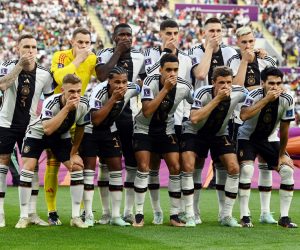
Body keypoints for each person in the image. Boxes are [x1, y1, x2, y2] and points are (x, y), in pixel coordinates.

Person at [16, 74, 90, 229]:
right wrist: (67, 108)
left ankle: (76, 217)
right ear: (63, 90)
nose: (75, 95)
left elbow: (81, 129)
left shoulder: (83, 104)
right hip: (37, 134)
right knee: (28, 168)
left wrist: (74, 152)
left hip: (60, 137)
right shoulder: (51, 102)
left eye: (78, 91)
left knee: (76, 166)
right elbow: (48, 129)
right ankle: (24, 216)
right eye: (71, 92)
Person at [181, 66, 247, 227]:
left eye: (228, 82)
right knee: (190, 167)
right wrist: (217, 99)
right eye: (221, 82)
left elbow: (253, 96)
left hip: (219, 133)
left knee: (234, 168)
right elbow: (195, 118)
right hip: (195, 132)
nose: (225, 86)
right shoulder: (202, 93)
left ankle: (226, 215)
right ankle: (190, 213)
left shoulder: (238, 92)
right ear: (213, 83)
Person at [132, 53, 193, 227]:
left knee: (175, 166)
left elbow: (194, 101)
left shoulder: (184, 86)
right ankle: (138, 214)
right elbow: (147, 111)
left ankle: (174, 214)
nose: (172, 73)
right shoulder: (149, 83)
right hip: (144, 129)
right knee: (144, 167)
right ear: (160, 70)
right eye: (168, 70)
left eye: (175, 70)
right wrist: (165, 89)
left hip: (167, 129)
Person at [188, 17, 239, 222]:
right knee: (195, 165)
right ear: (203, 32)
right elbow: (200, 75)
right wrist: (209, 48)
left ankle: (225, 215)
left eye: (218, 30)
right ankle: (194, 213)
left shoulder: (230, 52)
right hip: (199, 114)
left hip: (222, 120)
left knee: (227, 166)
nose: (215, 34)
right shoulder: (194, 51)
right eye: (211, 31)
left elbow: (237, 82)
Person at [0, 34, 53, 227]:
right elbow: (3, 84)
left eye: (33, 47)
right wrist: (20, 66)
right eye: (26, 47)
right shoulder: (7, 66)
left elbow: (49, 101)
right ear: (17, 49)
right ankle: (0, 213)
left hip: (30, 127)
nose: (30, 51)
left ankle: (31, 213)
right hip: (5, 124)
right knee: (2, 164)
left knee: (33, 166)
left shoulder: (45, 74)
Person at [143, 19, 193, 225]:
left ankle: (181, 211)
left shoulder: (187, 59)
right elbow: (148, 77)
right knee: (153, 164)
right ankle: (156, 210)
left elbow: (190, 87)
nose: (172, 37)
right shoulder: (150, 54)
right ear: (160, 34)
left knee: (179, 165)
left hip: (180, 117)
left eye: (175, 33)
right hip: (156, 119)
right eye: (168, 33)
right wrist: (165, 53)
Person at [227, 26, 278, 226]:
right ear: (237, 43)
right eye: (243, 42)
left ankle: (265, 212)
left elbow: (274, 84)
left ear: (254, 40)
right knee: (245, 169)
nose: (248, 46)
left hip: (267, 121)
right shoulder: (233, 60)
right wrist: (244, 62)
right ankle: (244, 213)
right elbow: (236, 88)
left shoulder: (267, 60)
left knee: (266, 167)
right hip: (242, 120)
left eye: (250, 41)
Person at [95, 23, 146, 224]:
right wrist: (117, 52)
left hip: (129, 117)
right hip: (107, 116)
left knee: (132, 164)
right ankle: (106, 212)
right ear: (114, 37)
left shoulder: (140, 57)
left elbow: (144, 83)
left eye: (129, 35)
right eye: (121, 35)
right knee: (106, 163)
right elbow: (101, 76)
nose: (126, 38)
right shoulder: (105, 54)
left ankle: (127, 211)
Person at [46, 27, 97, 225]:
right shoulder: (60, 56)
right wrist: (78, 60)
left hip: (77, 114)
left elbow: (102, 75)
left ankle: (82, 211)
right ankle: (52, 212)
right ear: (72, 42)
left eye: (87, 43)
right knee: (53, 162)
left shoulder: (92, 59)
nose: (84, 46)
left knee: (79, 162)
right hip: (57, 113)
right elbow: (60, 78)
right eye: (80, 42)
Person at [237, 67, 298, 228]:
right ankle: (245, 216)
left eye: (278, 83)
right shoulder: (254, 95)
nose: (275, 87)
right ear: (262, 83)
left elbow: (284, 130)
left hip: (270, 139)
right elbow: (243, 115)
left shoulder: (287, 99)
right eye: (271, 83)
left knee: (287, 171)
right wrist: (266, 100)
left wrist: (282, 155)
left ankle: (283, 218)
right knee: (247, 170)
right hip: (247, 137)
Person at [80, 66, 140, 226]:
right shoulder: (99, 92)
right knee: (89, 171)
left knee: (115, 168)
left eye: (124, 82)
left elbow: (141, 87)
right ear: (109, 81)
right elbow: (96, 120)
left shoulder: (131, 88)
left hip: (109, 130)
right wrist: (113, 99)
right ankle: (89, 215)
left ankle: (115, 216)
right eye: (117, 82)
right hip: (90, 130)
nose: (121, 86)